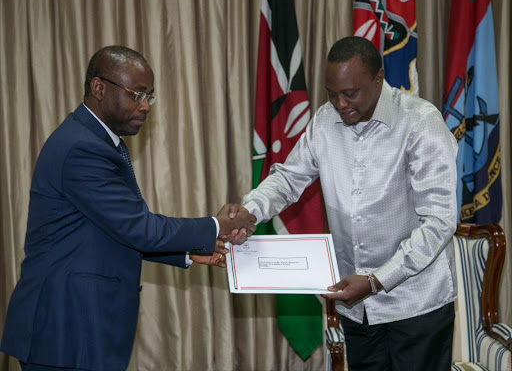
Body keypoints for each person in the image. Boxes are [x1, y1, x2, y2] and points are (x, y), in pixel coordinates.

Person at [0, 45, 255, 371]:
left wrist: (188, 253)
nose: (146, 106)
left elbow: (109, 230)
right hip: (66, 331)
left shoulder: (95, 140)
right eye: (137, 94)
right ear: (99, 88)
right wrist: (217, 226)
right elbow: (139, 228)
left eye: (149, 96)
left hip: (75, 328)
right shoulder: (83, 147)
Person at [240, 36, 458, 370]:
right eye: (332, 93)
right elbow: (288, 178)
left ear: (378, 79)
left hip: (417, 305)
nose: (340, 104)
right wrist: (249, 210)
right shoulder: (325, 121)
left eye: (350, 93)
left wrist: (375, 281)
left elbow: (439, 222)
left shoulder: (420, 122)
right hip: (358, 309)